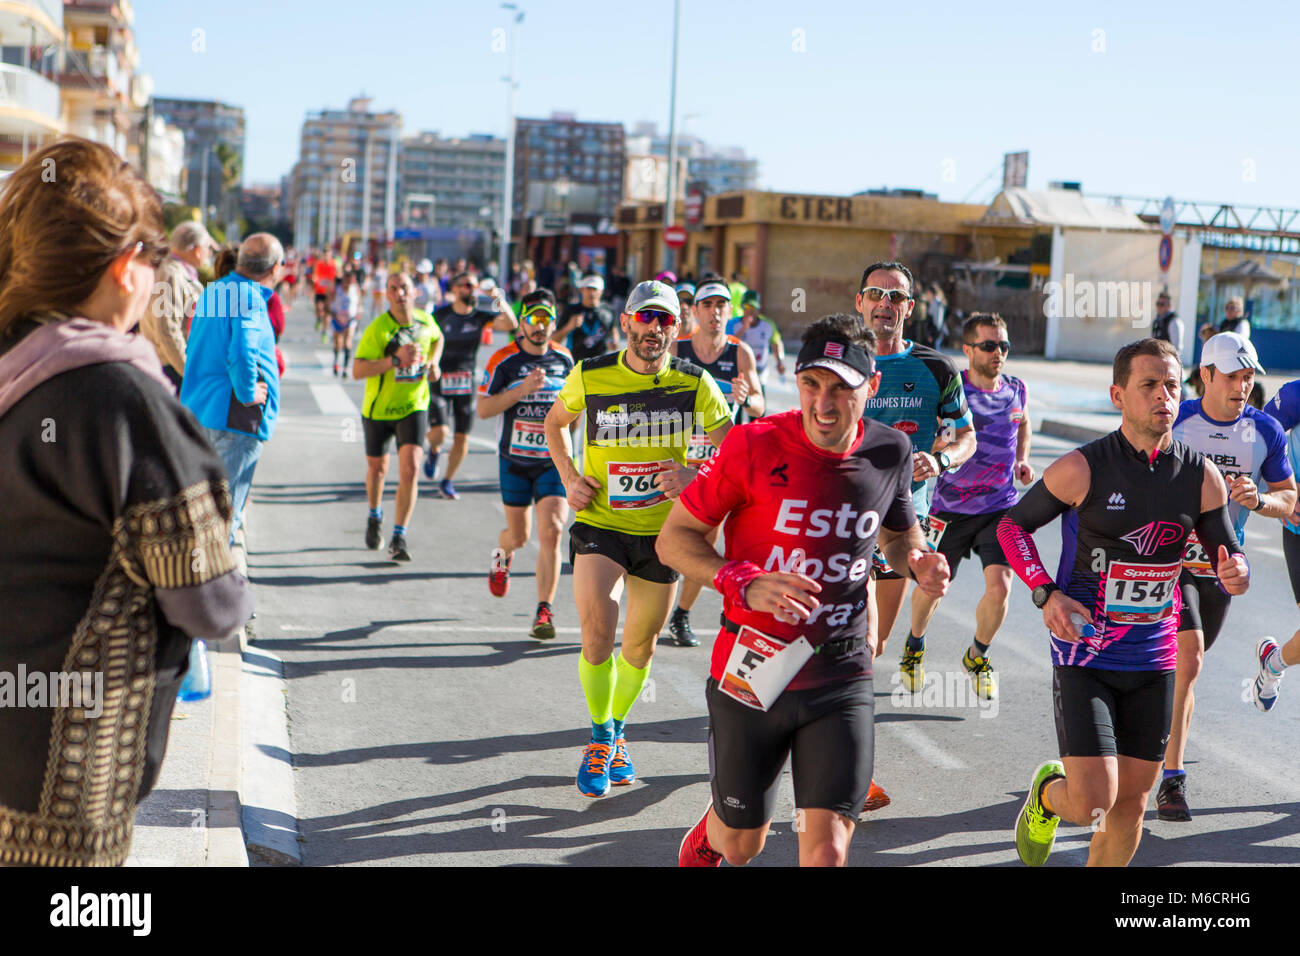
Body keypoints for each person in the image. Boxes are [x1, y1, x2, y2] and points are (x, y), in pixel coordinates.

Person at [0, 138, 252, 866]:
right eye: (153, 257)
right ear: (124, 268)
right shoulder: (123, 402)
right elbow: (211, 600)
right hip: (65, 775)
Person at [659, 314, 950, 867]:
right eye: (812, 384)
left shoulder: (891, 452)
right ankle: (714, 831)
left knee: (826, 851)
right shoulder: (751, 445)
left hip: (841, 671)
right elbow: (674, 540)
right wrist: (740, 579)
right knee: (743, 844)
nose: (825, 403)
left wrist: (916, 559)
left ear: (874, 387)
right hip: (752, 666)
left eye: (842, 387)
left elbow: (896, 533)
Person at [1000, 338, 1249, 867]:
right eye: (1150, 385)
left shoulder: (1200, 476)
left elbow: (1229, 553)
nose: (1165, 396)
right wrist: (1046, 593)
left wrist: (1235, 571)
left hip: (1154, 659)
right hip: (1086, 654)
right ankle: (1048, 794)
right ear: (1118, 395)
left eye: (1173, 386)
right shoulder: (1083, 468)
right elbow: (1011, 526)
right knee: (1093, 799)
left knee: (1131, 806)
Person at [543, 280, 732, 798]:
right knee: (597, 630)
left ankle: (619, 730)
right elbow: (555, 423)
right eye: (645, 318)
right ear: (626, 321)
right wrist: (568, 477)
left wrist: (698, 477)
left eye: (665, 320)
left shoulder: (696, 382)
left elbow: (734, 454)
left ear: (679, 327)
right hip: (601, 524)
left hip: (665, 535)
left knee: (640, 646)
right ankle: (600, 737)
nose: (654, 329)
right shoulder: (591, 373)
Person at [1157, 333, 1294, 820]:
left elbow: (1289, 498)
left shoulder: (1266, 431)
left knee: (1182, 668)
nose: (1243, 385)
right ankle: (1172, 780)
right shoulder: (1176, 418)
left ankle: (1154, 730)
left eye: (1249, 376)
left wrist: (1258, 500)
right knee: (1188, 661)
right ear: (1206, 376)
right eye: (1233, 376)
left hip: (1220, 567)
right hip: (1163, 562)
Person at [855, 259, 976, 811]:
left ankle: (813, 737)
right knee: (853, 644)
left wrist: (942, 458)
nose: (885, 303)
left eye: (896, 296)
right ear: (860, 302)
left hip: (905, 527)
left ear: (909, 307)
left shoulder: (936, 368)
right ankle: (850, 769)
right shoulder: (844, 359)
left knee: (873, 646)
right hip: (845, 523)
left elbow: (966, 435)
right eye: (875, 293)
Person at [908, 313, 1032, 701]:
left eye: (1004, 346)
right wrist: (938, 450)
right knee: (933, 587)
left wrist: (1021, 460)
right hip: (949, 507)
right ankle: (914, 647)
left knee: (1001, 588)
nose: (999, 353)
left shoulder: (1016, 389)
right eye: (990, 345)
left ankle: (977, 656)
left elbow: (1023, 422)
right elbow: (927, 430)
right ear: (968, 350)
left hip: (1000, 507)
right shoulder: (954, 390)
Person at [665, 277, 763, 647]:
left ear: (729, 312)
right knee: (660, 538)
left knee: (702, 543)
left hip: (715, 465)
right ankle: (653, 603)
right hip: (674, 460)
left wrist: (745, 400)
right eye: (708, 305)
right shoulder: (677, 348)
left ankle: (681, 614)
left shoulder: (739, 353)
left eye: (722, 306)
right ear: (696, 311)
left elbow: (759, 404)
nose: (715, 312)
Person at [479, 288, 575, 639]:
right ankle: (501, 556)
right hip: (514, 461)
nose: (539, 326)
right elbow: (484, 409)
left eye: (546, 319)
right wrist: (520, 391)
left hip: (553, 462)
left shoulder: (566, 360)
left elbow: (576, 408)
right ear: (522, 322)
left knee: (552, 531)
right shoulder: (504, 360)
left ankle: (543, 610)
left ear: (553, 322)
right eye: (533, 318)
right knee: (518, 537)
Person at [181, 234, 283, 545]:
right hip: (234, 415)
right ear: (275, 268)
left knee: (205, 511)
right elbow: (241, 351)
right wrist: (247, 391)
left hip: (202, 410)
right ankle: (210, 587)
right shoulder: (250, 297)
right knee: (224, 515)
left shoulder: (215, 291)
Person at [352, 272, 444, 561]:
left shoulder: (426, 320)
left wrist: (434, 364)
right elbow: (357, 370)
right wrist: (394, 360)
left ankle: (399, 536)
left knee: (411, 469)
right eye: (393, 289)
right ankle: (374, 514)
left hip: (414, 405)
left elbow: (438, 338)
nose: (400, 293)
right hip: (378, 410)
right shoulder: (379, 329)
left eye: (404, 287)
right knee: (378, 471)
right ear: (387, 295)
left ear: (414, 291)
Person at [422, 272, 518, 498]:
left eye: (473, 286)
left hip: (465, 382)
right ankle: (434, 450)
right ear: (454, 290)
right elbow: (426, 340)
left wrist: (497, 298)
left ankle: (447, 481)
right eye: (466, 286)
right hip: (440, 380)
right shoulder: (440, 315)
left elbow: (511, 324)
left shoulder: (479, 316)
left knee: (461, 436)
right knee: (441, 431)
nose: (471, 289)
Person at [1257, 377, 1300, 711]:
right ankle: (1272, 665)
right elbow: (1255, 440)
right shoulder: (1295, 395)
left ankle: (1273, 663)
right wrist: (1281, 493)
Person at [140, 220, 214, 388]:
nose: (209, 253)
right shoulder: (170, 274)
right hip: (171, 368)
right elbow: (166, 329)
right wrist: (189, 372)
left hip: (174, 365)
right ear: (196, 250)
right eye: (208, 248)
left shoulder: (177, 272)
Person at [552, 274, 621, 363]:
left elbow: (613, 331)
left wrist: (614, 342)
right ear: (582, 290)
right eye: (588, 288)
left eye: (595, 289)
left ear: (601, 291)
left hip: (600, 364)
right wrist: (569, 327)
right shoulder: (572, 310)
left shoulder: (607, 311)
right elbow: (554, 340)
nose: (592, 293)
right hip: (576, 364)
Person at [330, 270, 361, 377]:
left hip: (350, 319)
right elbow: (330, 302)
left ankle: (345, 368)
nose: (348, 282)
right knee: (338, 343)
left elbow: (359, 304)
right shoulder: (336, 290)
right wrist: (333, 315)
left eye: (351, 280)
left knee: (347, 342)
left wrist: (358, 315)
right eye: (346, 279)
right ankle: (336, 362)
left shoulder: (355, 290)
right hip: (337, 318)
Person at [1150, 290, 1183, 357]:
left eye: (1162, 304)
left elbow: (1176, 348)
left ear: (1169, 306)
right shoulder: (1156, 321)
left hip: (1167, 360)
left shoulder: (1174, 322)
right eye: (1157, 304)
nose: (1159, 306)